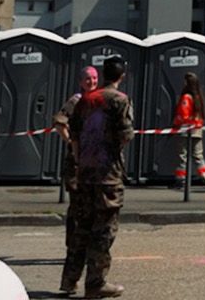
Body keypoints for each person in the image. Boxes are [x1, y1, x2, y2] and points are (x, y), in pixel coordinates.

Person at [63, 54, 134, 299]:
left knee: (81, 228)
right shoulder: (119, 100)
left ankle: (69, 280)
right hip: (107, 176)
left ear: (103, 75)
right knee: (103, 232)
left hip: (85, 173)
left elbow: (73, 135)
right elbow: (125, 135)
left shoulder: (85, 100)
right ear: (122, 75)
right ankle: (96, 283)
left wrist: (80, 162)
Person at [170, 71, 205, 189]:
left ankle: (181, 180)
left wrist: (175, 123)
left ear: (186, 83)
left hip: (185, 130)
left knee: (182, 156)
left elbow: (183, 115)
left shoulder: (186, 97)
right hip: (197, 130)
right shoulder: (199, 97)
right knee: (198, 156)